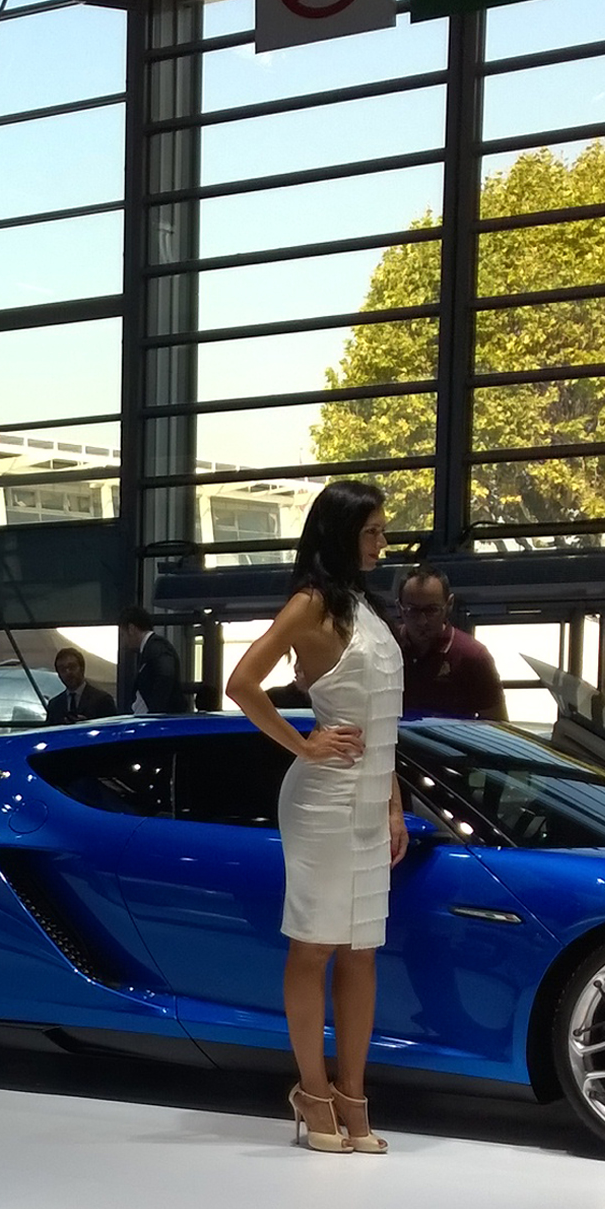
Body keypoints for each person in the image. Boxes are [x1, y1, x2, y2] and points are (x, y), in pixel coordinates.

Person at [222, 479, 403, 1156]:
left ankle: (355, 1099)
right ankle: (312, 1091)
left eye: (382, 532)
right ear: (340, 533)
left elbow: (385, 724)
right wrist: (302, 741)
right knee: (316, 945)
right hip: (323, 800)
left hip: (368, 798)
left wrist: (393, 804)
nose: (383, 543)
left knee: (362, 950)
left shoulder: (366, 608)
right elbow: (240, 684)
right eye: (372, 532)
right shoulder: (309, 607)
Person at [392, 567, 505, 721]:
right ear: (399, 608)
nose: (422, 621)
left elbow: (498, 725)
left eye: (432, 610)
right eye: (412, 610)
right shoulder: (386, 647)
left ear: (449, 604)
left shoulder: (472, 656)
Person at [118, 606, 188, 714]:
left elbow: (166, 676)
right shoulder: (153, 648)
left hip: (161, 722)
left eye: (123, 634)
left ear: (131, 629)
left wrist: (155, 712)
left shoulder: (157, 648)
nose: (124, 642)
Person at [44, 646, 117, 724]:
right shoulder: (54, 705)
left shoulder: (103, 700)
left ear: (82, 668)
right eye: (62, 669)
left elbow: (111, 730)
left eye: (72, 667)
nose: (68, 672)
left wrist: (88, 725)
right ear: (58, 674)